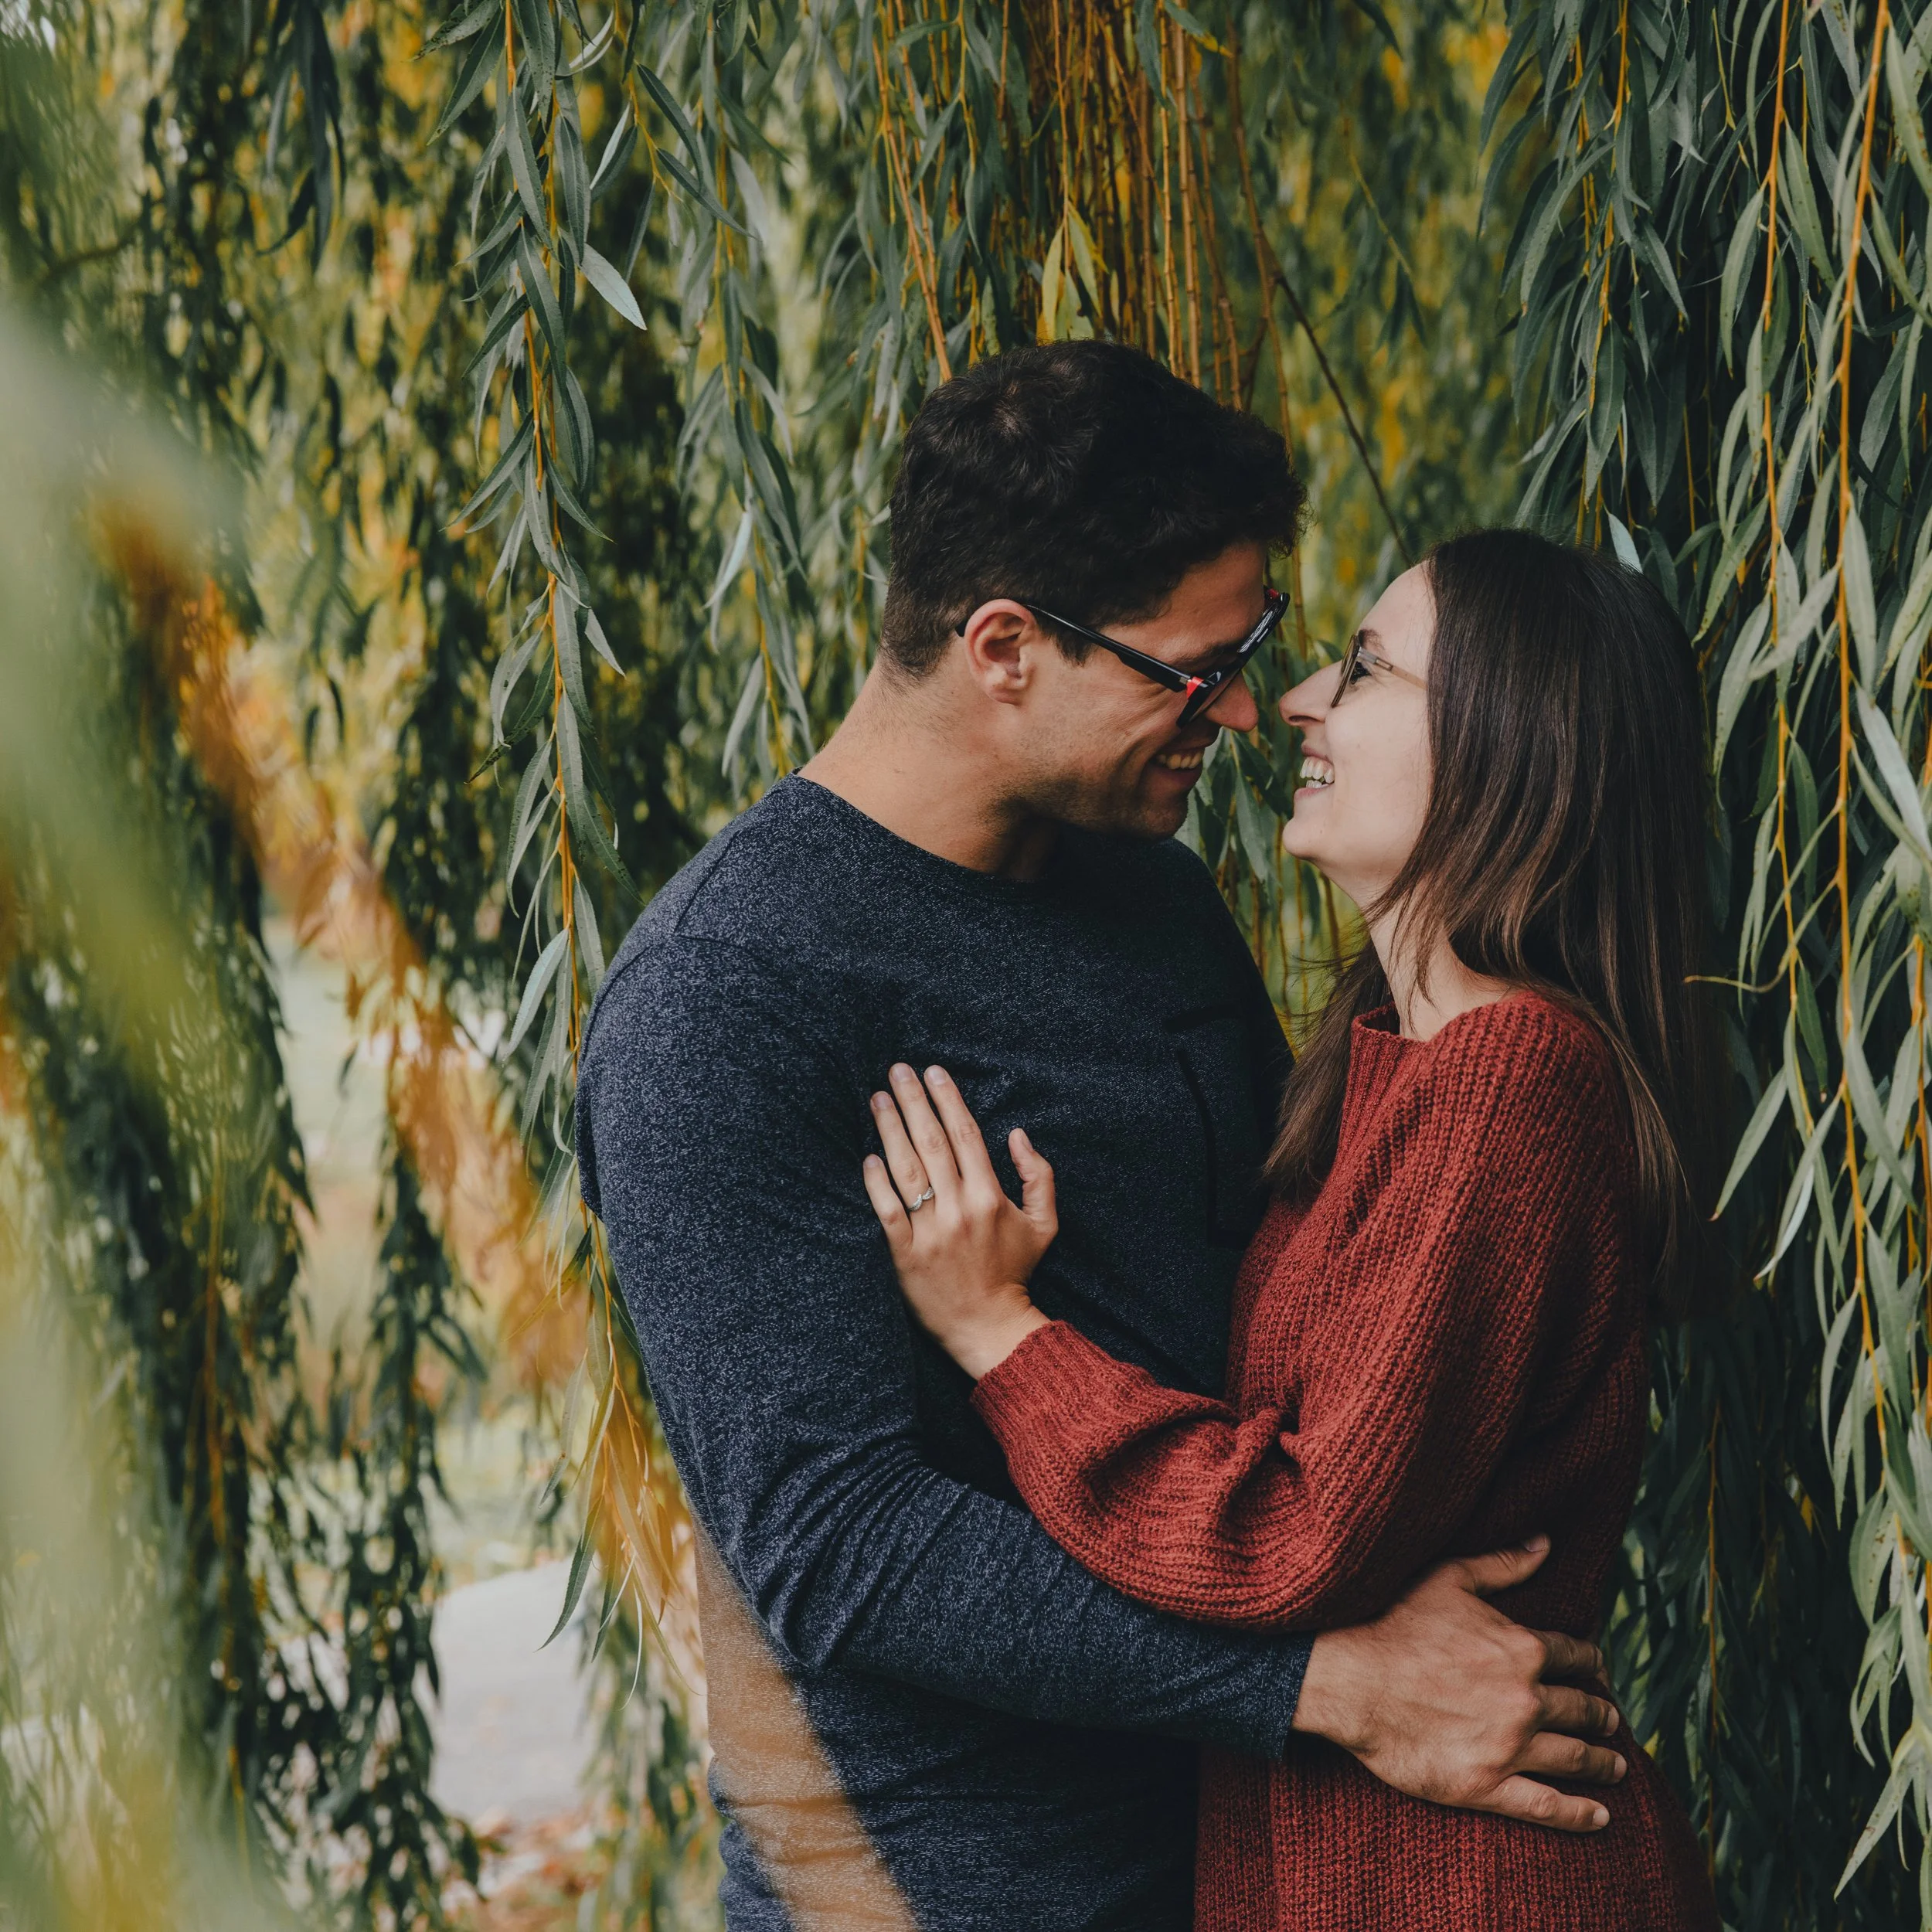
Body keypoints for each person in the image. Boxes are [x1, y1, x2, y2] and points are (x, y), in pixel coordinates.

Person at [577, 345, 1628, 1932]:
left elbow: (1313, 1316)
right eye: (1189, 668)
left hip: (1271, 1860)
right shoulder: (723, 999)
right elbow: (837, 1547)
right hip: (963, 1887)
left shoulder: (1154, 898)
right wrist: (1322, 1681)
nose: (1242, 704)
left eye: (1260, 644)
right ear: (1003, 644)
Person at [860, 527, 1725, 1929]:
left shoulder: (1518, 1080)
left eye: (1370, 670)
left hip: (1471, 1879)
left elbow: (1295, 1532)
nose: (1303, 700)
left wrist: (1001, 1334)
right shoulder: (1386, 1060)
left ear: (1520, 745)